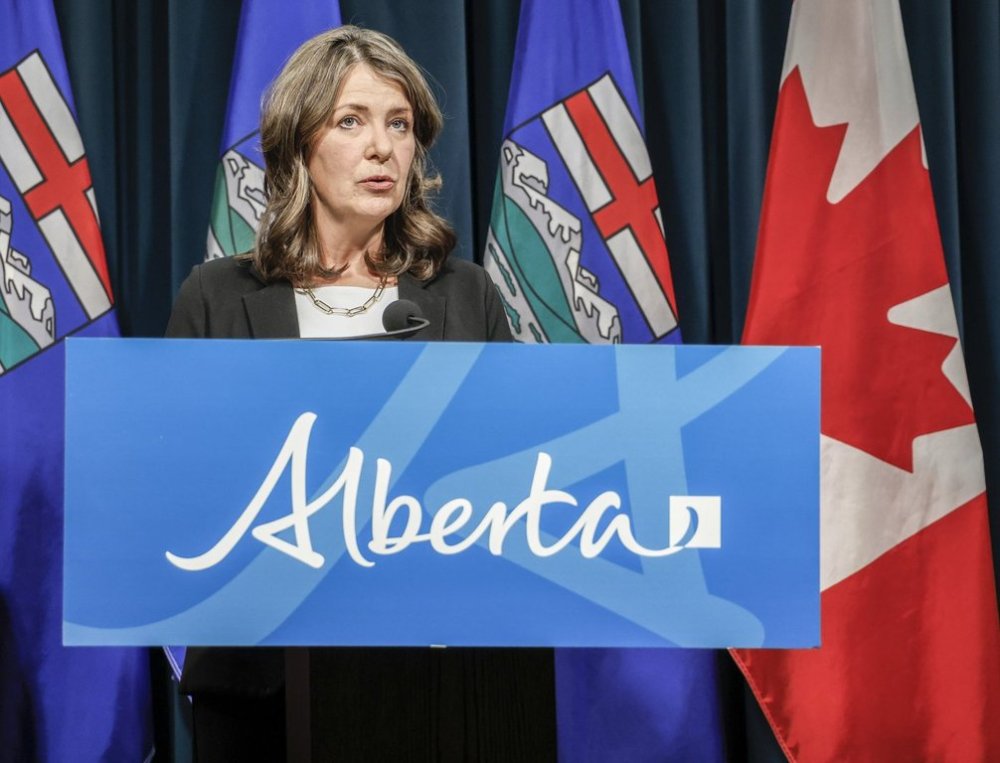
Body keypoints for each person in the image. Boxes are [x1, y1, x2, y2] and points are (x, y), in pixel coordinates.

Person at [166, 25, 555, 762]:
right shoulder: (217, 298)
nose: (383, 147)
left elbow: (516, 474)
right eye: (352, 121)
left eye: (400, 124)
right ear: (299, 143)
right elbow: (177, 487)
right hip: (261, 690)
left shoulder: (463, 297)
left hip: (440, 681)